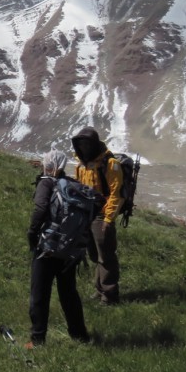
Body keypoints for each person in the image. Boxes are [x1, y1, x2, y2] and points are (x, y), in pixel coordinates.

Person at [26, 149, 90, 346]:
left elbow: (40, 208)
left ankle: (38, 339)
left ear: (49, 164)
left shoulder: (46, 183)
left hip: (47, 246)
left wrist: (32, 233)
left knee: (39, 293)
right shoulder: (73, 185)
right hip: (69, 249)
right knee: (69, 293)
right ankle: (80, 336)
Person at [71, 126, 124, 305]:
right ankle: (100, 288)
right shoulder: (80, 164)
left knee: (106, 255)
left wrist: (109, 219)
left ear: (94, 144)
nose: (84, 147)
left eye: (87, 143)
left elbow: (116, 193)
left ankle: (110, 295)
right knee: (94, 255)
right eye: (81, 143)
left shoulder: (110, 164)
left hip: (102, 216)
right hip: (86, 215)